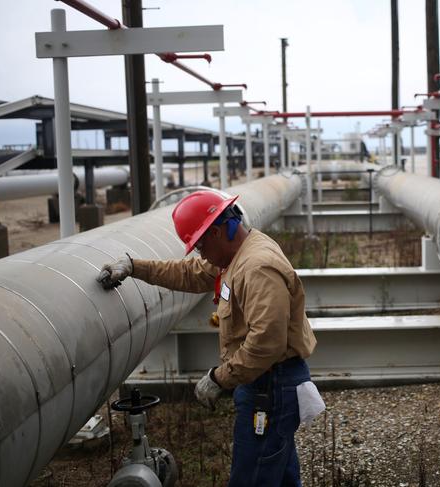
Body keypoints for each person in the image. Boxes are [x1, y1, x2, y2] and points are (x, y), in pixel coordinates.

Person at [97, 190, 319, 486]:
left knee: (252, 478)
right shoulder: (237, 255)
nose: (199, 253)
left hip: (270, 388)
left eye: (200, 244)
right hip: (265, 383)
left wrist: (219, 378)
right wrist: (134, 267)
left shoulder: (257, 268)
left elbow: (266, 343)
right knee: (278, 474)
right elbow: (190, 273)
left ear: (216, 232)